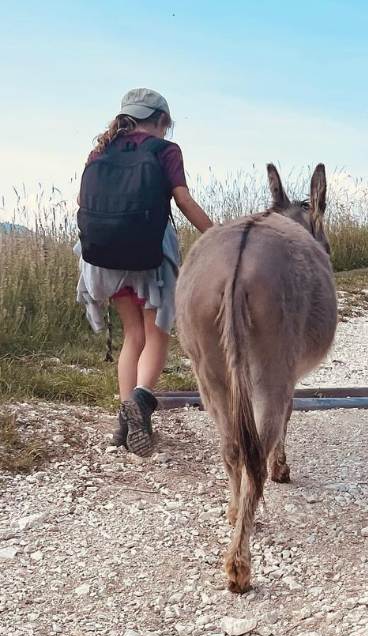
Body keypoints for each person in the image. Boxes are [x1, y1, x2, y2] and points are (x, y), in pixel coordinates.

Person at [76, 88, 213, 456]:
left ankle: (124, 421)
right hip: (150, 255)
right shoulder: (166, 151)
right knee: (157, 334)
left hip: (104, 258)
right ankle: (141, 400)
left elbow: (83, 203)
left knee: (132, 335)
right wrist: (217, 236)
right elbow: (182, 200)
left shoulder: (100, 150)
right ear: (160, 120)